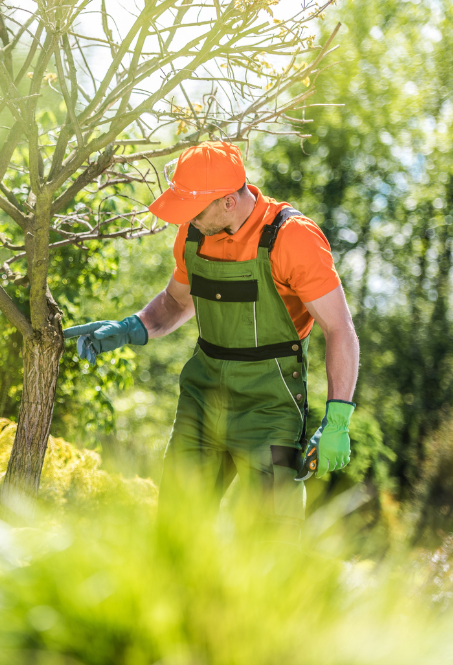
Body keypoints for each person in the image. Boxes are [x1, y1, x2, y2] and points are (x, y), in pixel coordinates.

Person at [64, 141, 360, 538]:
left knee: (270, 541)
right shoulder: (194, 234)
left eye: (193, 210)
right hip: (202, 399)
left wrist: (338, 418)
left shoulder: (292, 238)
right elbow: (175, 302)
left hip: (269, 410)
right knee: (177, 528)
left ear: (228, 203)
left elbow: (339, 328)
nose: (185, 220)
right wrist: (130, 328)